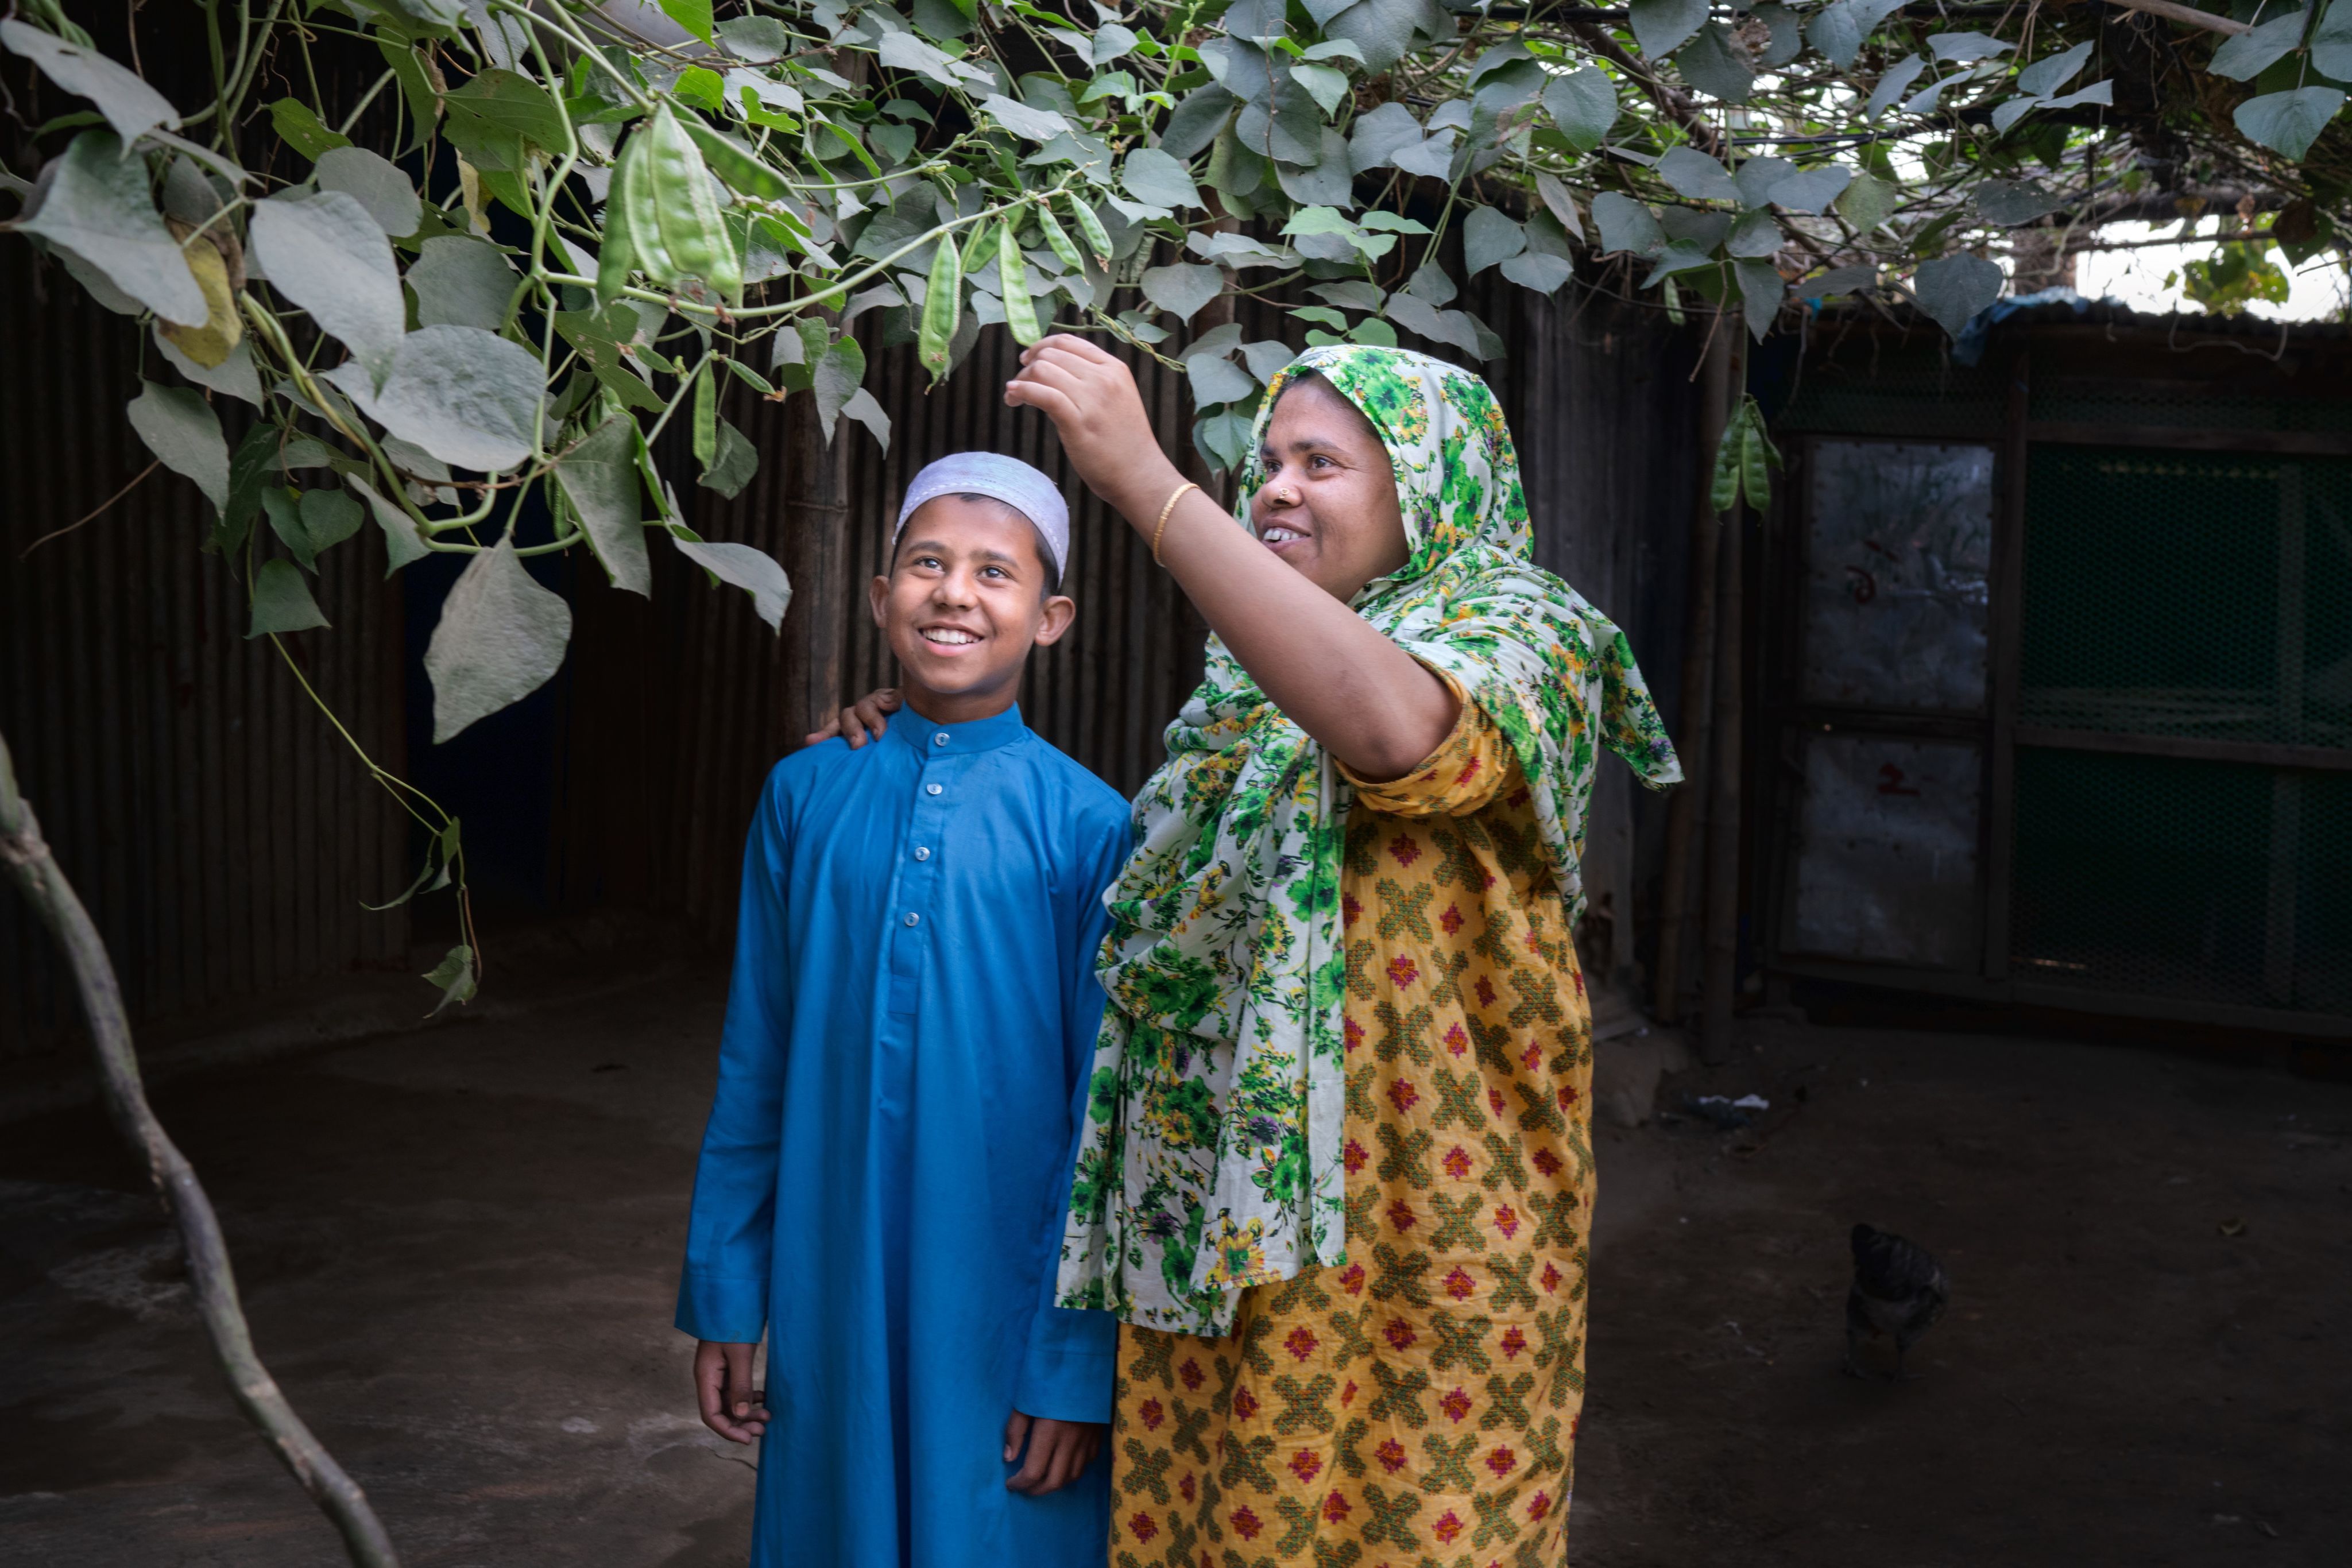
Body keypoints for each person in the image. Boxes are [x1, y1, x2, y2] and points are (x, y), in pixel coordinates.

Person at [826, 338, 1681, 1565]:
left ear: (1425, 489)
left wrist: (1147, 484)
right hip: (1217, 1242)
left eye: (1320, 462)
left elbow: (1394, 733)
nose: (1273, 486)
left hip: (1413, 1242)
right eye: (1266, 462)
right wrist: (902, 741)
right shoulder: (1244, 689)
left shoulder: (1522, 634)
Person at [676, 452, 1131, 1568]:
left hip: (1004, 1299)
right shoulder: (805, 793)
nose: (955, 593)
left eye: (993, 571)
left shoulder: (1090, 826)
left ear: (1050, 616)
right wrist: (728, 1294)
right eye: (925, 564)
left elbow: (1108, 1123)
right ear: (880, 598)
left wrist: (1072, 1368)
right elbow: (757, 1062)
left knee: (1000, 1527)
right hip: (829, 1282)